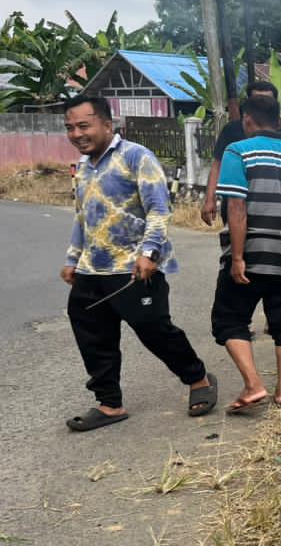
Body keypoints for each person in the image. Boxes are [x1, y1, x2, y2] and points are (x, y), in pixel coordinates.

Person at [60, 95, 217, 431]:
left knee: (153, 330)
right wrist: (73, 258)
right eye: (70, 127)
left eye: (83, 125)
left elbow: (159, 210)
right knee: (93, 336)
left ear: (107, 124)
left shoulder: (136, 157)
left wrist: (149, 253)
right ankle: (110, 404)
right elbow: (82, 216)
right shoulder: (84, 166)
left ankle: (198, 379)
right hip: (92, 269)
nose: (76, 133)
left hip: (133, 268)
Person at [212, 96, 281, 411]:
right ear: (279, 121)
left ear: (247, 120)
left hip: (252, 254)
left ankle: (253, 385)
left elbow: (236, 206)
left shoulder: (239, 151)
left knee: (229, 320)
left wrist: (237, 258)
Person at [201, 81, 281, 226]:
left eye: (266, 101)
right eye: (257, 101)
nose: (262, 105)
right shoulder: (232, 130)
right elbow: (217, 165)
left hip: (274, 208)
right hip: (236, 206)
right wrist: (210, 199)